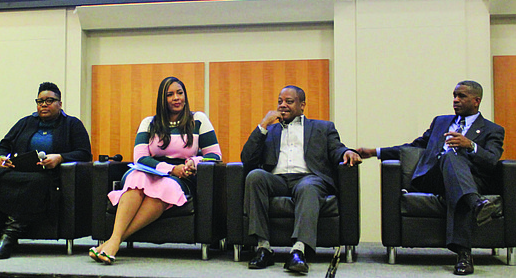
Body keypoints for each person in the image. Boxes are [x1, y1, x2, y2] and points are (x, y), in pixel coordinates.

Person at [357, 80, 504, 275]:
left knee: (457, 187)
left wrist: (470, 145)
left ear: (476, 101)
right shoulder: (441, 122)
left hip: (470, 180)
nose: (455, 100)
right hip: (433, 178)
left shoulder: (492, 129)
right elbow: (415, 146)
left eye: (461, 96)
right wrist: (375, 152)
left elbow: (492, 160)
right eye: (454, 95)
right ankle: (475, 203)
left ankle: (464, 255)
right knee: (450, 156)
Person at [88, 76, 221, 265]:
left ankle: (113, 242)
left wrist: (194, 161)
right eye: (170, 94)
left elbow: (215, 155)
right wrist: (170, 169)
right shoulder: (149, 123)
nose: (176, 98)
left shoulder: (198, 120)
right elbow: (140, 157)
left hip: (181, 178)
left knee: (164, 187)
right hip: (149, 171)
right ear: (162, 99)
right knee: (136, 180)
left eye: (180, 93)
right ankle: (115, 240)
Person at [242, 85, 361, 273]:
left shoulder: (323, 127)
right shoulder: (270, 131)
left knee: (308, 187)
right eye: (280, 101)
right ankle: (263, 248)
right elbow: (247, 160)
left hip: (308, 177)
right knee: (255, 176)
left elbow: (336, 148)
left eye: (289, 102)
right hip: (278, 179)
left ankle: (298, 251)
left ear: (302, 105)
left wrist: (347, 152)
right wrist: (263, 125)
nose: (283, 105)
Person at [0, 82, 91, 259]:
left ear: (60, 103)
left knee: (34, 183)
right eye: (40, 101)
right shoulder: (25, 122)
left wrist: (60, 158)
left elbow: (84, 153)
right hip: (17, 170)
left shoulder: (72, 124)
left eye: (49, 100)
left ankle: (8, 237)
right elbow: (3, 146)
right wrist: (1, 159)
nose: (44, 104)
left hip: (46, 175)